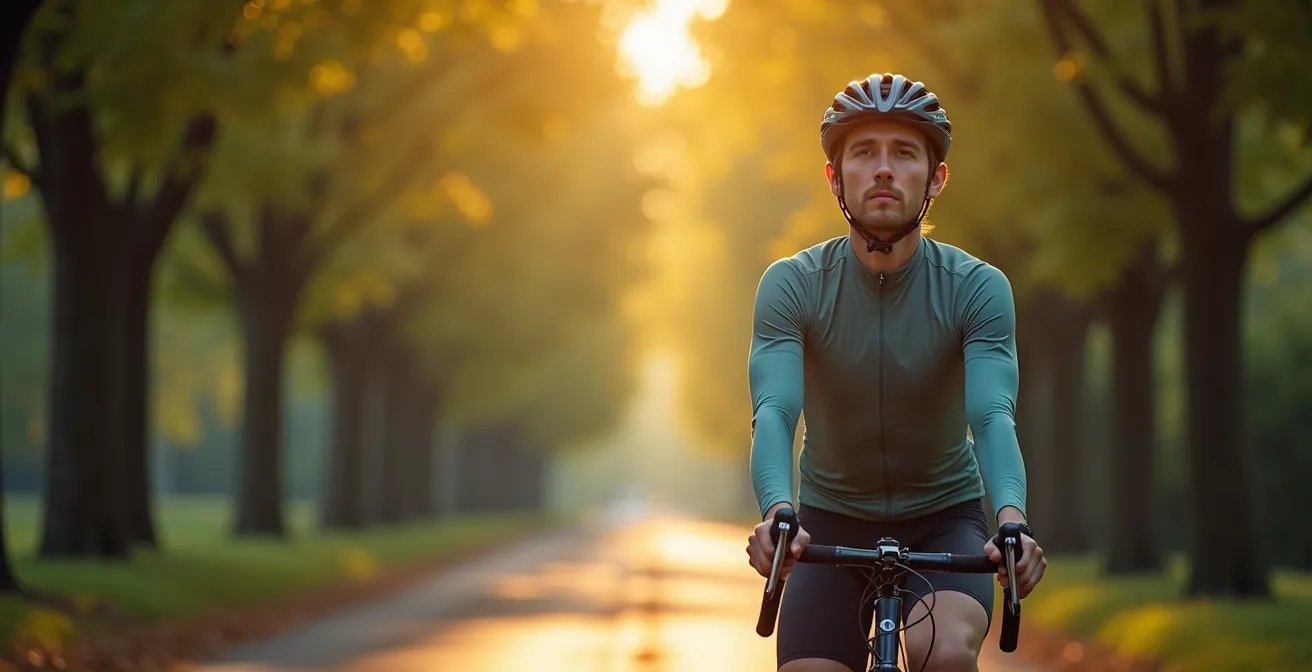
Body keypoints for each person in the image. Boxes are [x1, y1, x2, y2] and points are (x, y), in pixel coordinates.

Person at [744, 73, 1046, 672]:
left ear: (936, 178)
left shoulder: (978, 288)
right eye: (864, 152)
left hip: (943, 522)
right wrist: (778, 511)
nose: (883, 169)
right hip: (828, 521)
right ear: (836, 176)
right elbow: (774, 411)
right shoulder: (792, 286)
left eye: (904, 153)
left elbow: (990, 415)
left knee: (942, 651)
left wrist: (1011, 519)